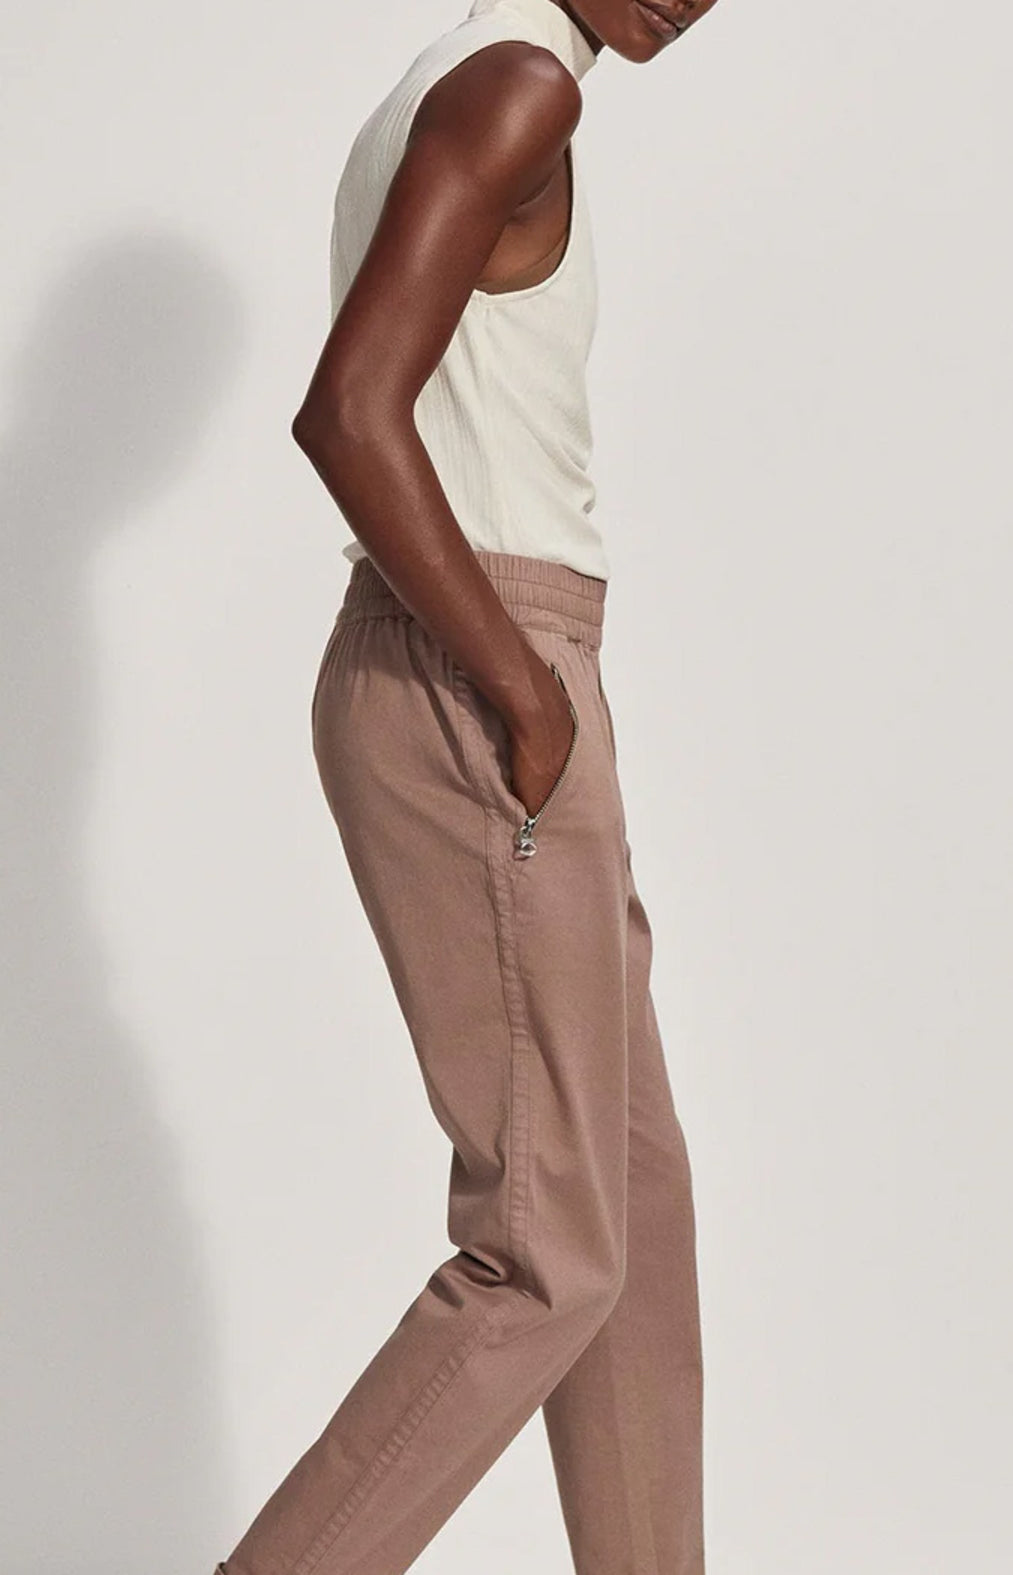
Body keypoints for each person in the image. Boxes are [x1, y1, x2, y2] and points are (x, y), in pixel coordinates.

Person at [215, 3, 720, 1572]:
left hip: (492, 656)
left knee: (629, 1211)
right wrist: (521, 688)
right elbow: (348, 407)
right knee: (546, 1249)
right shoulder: (512, 88)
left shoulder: (475, 77)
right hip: (480, 661)